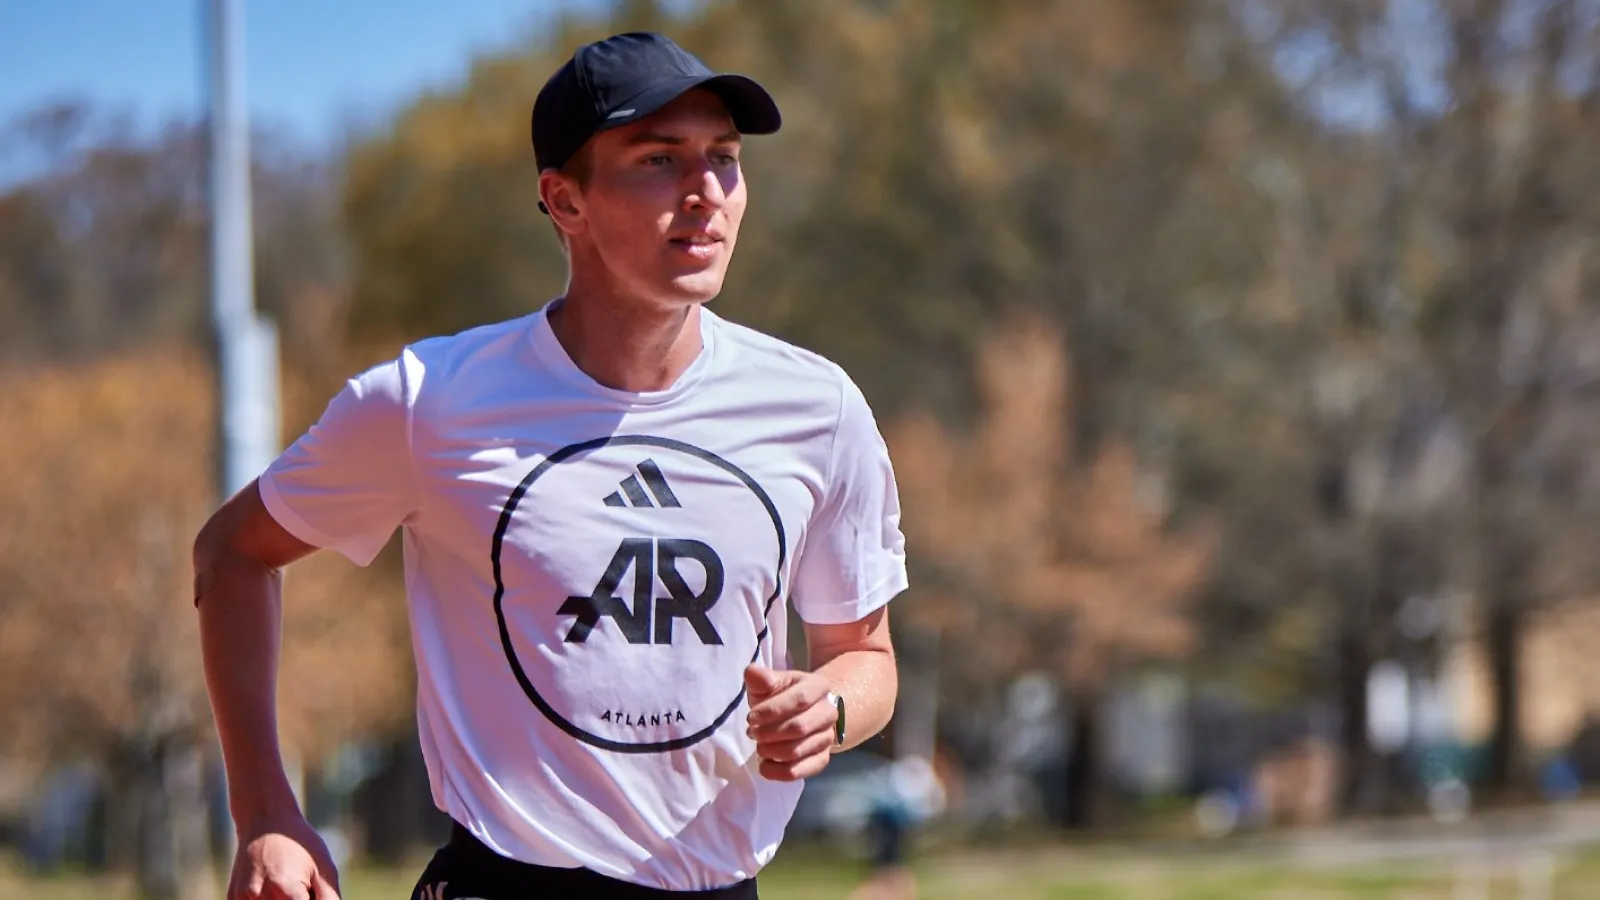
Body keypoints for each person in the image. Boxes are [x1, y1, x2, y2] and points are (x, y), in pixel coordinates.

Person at [192, 30, 909, 900]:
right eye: (659, 160)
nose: (705, 192)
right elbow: (233, 552)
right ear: (563, 201)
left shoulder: (817, 408)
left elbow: (865, 656)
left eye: (723, 158)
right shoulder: (429, 402)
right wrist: (265, 807)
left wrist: (827, 712)